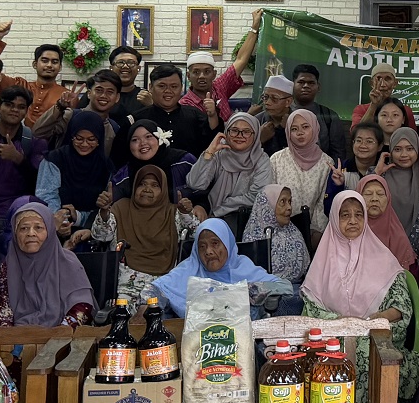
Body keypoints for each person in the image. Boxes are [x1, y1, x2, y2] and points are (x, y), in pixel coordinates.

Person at [303, 189, 419, 403]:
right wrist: (343, 326)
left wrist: (372, 321)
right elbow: (312, 308)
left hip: (374, 336)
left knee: (370, 355)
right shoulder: (322, 260)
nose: (352, 221)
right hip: (333, 338)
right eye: (345, 215)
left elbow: (400, 308)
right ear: (335, 219)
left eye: (359, 215)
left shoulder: (382, 257)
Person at [150, 217, 292, 319]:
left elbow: (284, 287)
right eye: (202, 246)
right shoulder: (189, 268)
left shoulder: (242, 266)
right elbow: (153, 290)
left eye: (215, 243)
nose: (209, 251)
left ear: (227, 244)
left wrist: (243, 291)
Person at [0, 198, 97, 327]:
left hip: (63, 338)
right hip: (19, 336)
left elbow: (82, 307)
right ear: (15, 233)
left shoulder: (67, 262)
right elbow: (4, 311)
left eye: (38, 228)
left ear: (50, 232)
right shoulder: (9, 267)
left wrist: (59, 334)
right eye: (23, 228)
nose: (31, 233)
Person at [93, 163, 183, 307]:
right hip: (124, 282)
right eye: (142, 184)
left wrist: (187, 213)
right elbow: (101, 236)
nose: (147, 189)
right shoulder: (121, 207)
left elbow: (197, 233)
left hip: (163, 282)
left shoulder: (173, 213)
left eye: (155, 185)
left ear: (164, 189)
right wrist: (104, 212)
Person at [0, 84, 47, 229]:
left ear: (26, 111)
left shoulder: (34, 142)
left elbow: (41, 185)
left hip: (20, 213)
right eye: (9, 105)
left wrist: (18, 159)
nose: (14, 110)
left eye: (21, 107)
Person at [187, 111, 275, 228]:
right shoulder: (219, 154)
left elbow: (257, 196)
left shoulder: (261, 159)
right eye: (234, 130)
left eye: (246, 131)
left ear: (255, 135)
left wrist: (219, 209)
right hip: (213, 219)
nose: (239, 135)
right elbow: (195, 184)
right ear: (226, 132)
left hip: (248, 220)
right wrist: (209, 152)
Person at [36, 110, 117, 233]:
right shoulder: (54, 159)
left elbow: (105, 208)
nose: (84, 144)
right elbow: (46, 195)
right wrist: (61, 221)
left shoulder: (106, 166)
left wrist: (79, 217)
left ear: (99, 140)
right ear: (71, 136)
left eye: (91, 139)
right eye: (79, 138)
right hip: (53, 227)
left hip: (91, 231)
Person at [181, 8, 262, 125]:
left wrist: (254, 27)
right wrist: (248, 116)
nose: (202, 76)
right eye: (196, 72)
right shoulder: (185, 104)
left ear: (214, 74)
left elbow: (241, 60)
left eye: (207, 72)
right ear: (188, 76)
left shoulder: (218, 87)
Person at [0, 21, 68, 124]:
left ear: (60, 67)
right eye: (44, 61)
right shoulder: (19, 86)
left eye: (54, 62)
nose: (49, 65)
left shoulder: (65, 95)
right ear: (35, 64)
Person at [268, 107, 336, 237]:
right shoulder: (277, 159)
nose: (300, 133)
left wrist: (313, 232)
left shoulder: (326, 163)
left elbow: (322, 204)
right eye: (294, 129)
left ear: (315, 128)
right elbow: (271, 198)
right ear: (288, 132)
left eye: (305, 127)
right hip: (278, 229)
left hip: (311, 232)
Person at [125, 63, 215, 158]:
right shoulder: (135, 119)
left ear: (181, 88)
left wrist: (213, 115)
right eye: (162, 86)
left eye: (174, 86)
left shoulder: (196, 116)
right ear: (150, 87)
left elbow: (212, 146)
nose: (168, 91)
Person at [239, 184, 311, 301]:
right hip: (265, 296)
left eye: (290, 201)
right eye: (283, 202)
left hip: (298, 291)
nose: (289, 207)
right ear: (267, 205)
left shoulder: (294, 232)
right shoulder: (253, 236)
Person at [36, 69, 124, 146]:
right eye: (99, 90)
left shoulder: (114, 128)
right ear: (89, 93)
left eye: (110, 92)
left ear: (117, 97)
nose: (103, 95)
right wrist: (59, 106)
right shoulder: (70, 116)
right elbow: (38, 133)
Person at [379, 126, 419, 255]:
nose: (404, 155)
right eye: (398, 149)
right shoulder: (379, 175)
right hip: (379, 248)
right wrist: (376, 174)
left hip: (411, 251)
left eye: (410, 149)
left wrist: (407, 250)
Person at [358, 172, 418, 269]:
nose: (374, 199)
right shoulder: (351, 230)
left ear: (388, 198)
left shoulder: (398, 237)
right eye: (368, 194)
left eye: (380, 194)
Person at [290, 63, 348, 161]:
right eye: (301, 82)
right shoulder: (282, 112)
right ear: (292, 85)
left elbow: (338, 153)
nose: (306, 86)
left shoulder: (329, 116)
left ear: (318, 87)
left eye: (311, 83)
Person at [253, 74, 297, 155]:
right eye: (265, 97)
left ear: (288, 102)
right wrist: (259, 140)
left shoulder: (299, 120)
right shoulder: (256, 121)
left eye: (274, 98)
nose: (267, 102)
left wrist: (290, 130)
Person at [110, 45, 145, 110]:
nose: (125, 66)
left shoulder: (145, 98)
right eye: (120, 62)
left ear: (138, 69)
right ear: (111, 68)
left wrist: (151, 105)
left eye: (131, 62)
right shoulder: (101, 95)